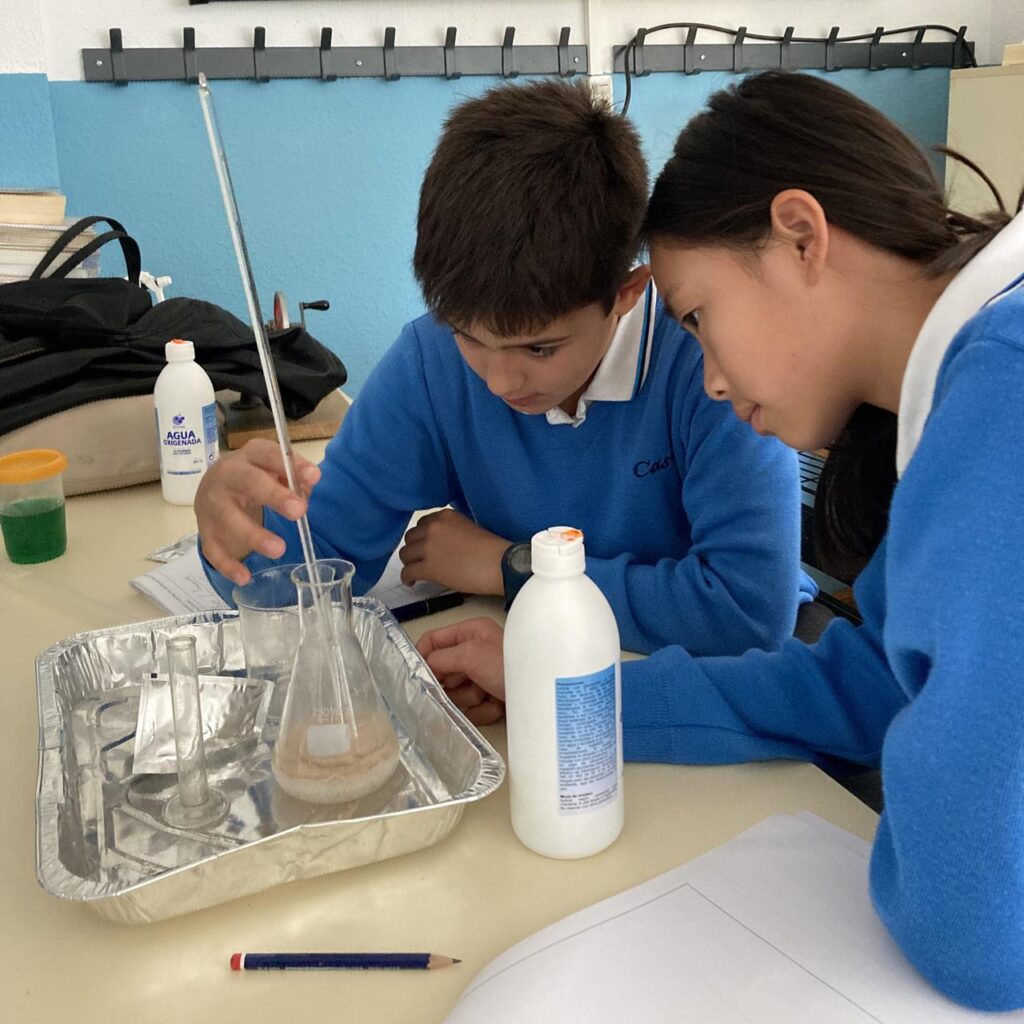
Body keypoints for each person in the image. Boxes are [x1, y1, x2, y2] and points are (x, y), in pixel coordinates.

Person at [417, 71, 1024, 1010]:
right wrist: (570, 699)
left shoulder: (1004, 403)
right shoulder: (960, 398)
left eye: (698, 317)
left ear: (800, 236)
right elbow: (862, 685)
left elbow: (976, 934)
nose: (704, 377)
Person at [196, 78, 812, 671]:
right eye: (469, 336)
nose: (498, 382)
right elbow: (302, 583)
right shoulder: (430, 361)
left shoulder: (708, 365)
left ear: (625, 293)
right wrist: (232, 525)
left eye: (539, 350)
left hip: (687, 697)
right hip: (520, 679)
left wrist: (511, 568)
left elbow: (746, 612)